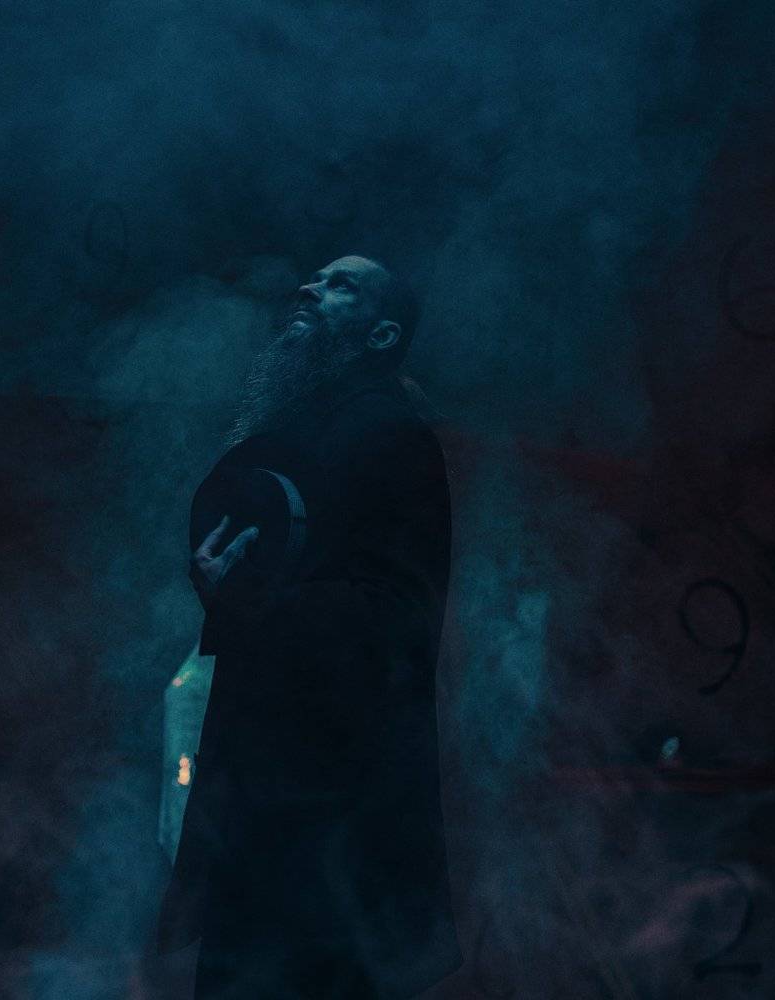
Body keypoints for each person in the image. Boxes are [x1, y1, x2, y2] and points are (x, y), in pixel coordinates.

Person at [157, 255, 463, 999]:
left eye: (340, 286)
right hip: (267, 794)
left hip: (336, 805)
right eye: (317, 278)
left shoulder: (391, 434)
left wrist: (249, 600)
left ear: (381, 334)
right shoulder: (300, 428)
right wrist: (231, 591)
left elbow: (398, 612)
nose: (309, 288)